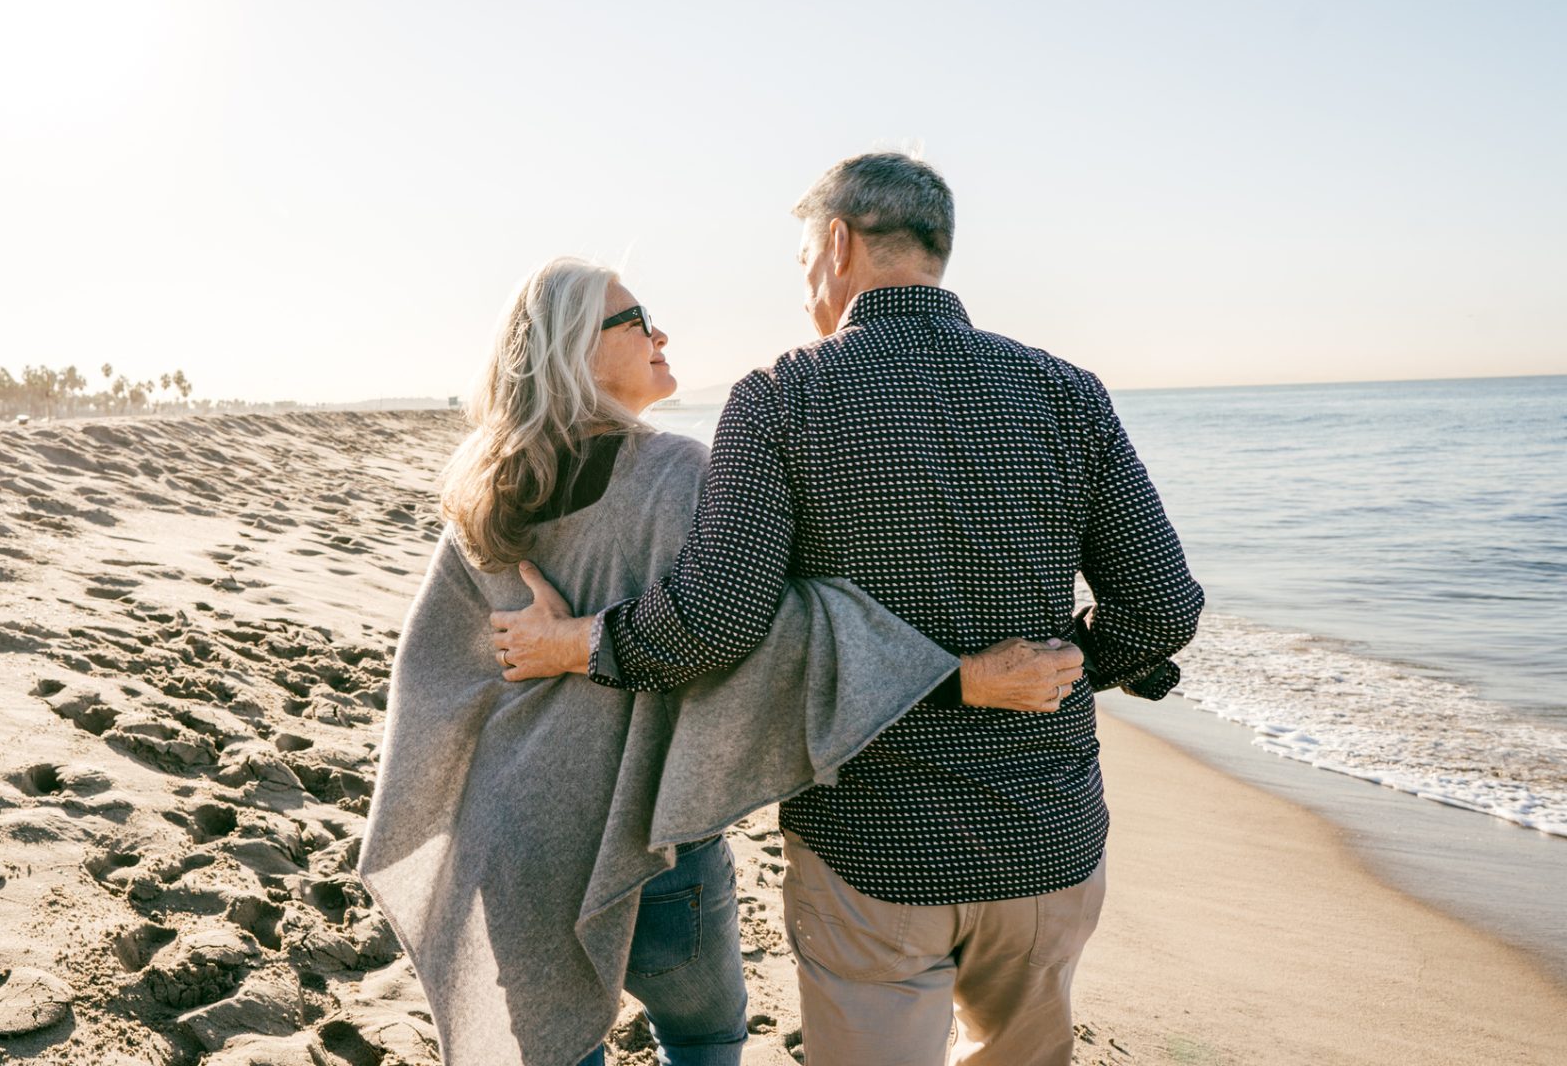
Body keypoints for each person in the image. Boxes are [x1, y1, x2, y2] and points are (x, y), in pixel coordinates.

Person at [492, 154, 1206, 1066]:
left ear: (837, 246)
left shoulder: (782, 397)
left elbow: (717, 622)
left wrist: (577, 644)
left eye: (801, 265)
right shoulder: (1065, 390)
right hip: (1048, 836)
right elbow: (1162, 608)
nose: (803, 293)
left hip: (872, 847)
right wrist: (1071, 667)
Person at [359, 257, 1084, 1066]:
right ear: (572, 350)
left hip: (513, 837)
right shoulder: (677, 475)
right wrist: (962, 676)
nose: (659, 333)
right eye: (633, 321)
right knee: (705, 1035)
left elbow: (433, 676)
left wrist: (552, 657)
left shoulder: (480, 492)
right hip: (648, 839)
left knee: (554, 1050)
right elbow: (762, 635)